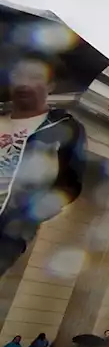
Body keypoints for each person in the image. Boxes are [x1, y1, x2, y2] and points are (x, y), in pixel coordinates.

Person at [0, 57, 87, 279]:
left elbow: (70, 183)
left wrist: (31, 215)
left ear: (50, 85)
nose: (24, 84)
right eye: (18, 76)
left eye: (35, 77)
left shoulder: (65, 128)